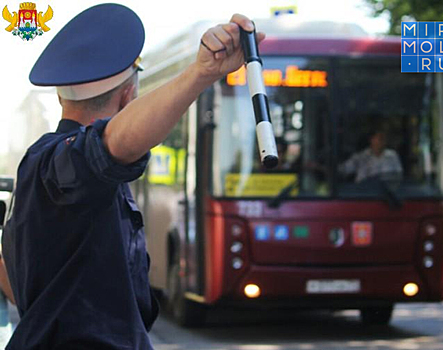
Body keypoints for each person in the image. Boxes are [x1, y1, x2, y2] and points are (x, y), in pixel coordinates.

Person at [1, 4, 263, 349]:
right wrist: (200, 73)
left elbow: (24, 287)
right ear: (129, 93)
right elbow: (110, 143)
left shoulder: (47, 169)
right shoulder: (61, 160)